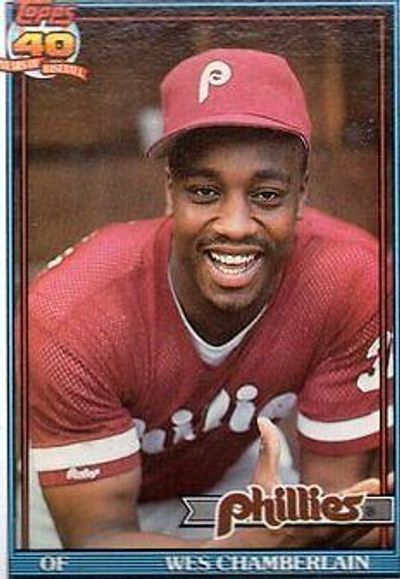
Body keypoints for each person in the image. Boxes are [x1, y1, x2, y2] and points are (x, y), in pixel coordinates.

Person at [27, 48, 389, 549]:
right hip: (80, 499)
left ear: (302, 196)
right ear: (170, 192)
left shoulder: (349, 278)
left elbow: (334, 506)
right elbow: (97, 540)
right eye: (204, 192)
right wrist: (258, 547)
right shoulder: (70, 312)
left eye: (267, 195)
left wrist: (344, 523)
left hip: (232, 479)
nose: (236, 226)